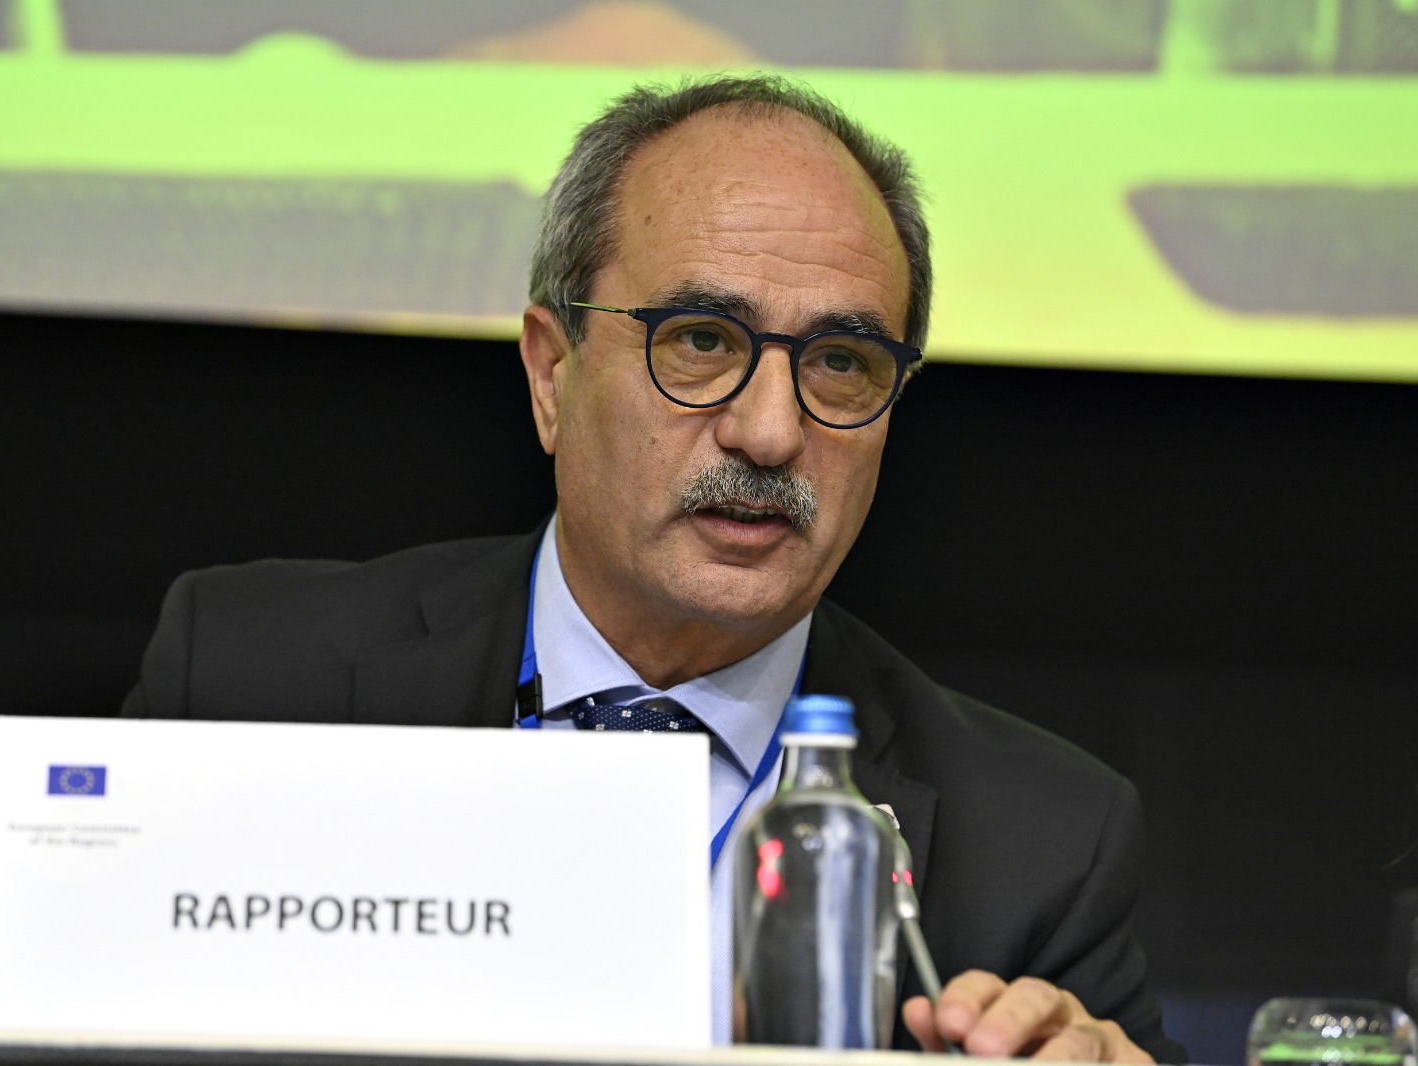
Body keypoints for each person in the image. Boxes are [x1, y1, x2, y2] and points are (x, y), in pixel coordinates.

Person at [124, 74, 1184, 1063]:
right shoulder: (250, 677)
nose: (770, 432)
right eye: (702, 341)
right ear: (552, 374)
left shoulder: (1044, 843)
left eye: (840, 362)